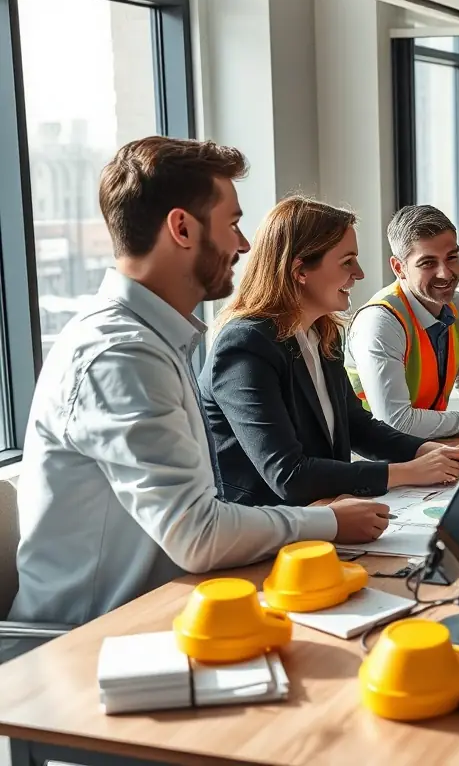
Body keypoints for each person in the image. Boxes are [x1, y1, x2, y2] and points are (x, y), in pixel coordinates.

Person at [3, 138, 389, 661]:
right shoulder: (120, 356)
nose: (245, 245)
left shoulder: (155, 340)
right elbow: (198, 533)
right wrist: (331, 520)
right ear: (182, 229)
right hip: (90, 650)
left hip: (166, 615)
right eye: (232, 223)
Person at [200, 196, 459, 508]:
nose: (359, 273)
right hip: (264, 536)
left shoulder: (321, 331)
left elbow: (357, 425)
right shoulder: (245, 347)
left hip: (326, 512)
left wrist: (423, 451)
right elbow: (289, 476)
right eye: (347, 262)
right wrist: (405, 472)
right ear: (300, 270)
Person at [344, 205, 459, 439]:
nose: (446, 273)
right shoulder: (380, 321)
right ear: (399, 268)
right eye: (428, 263)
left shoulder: (456, 305)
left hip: (429, 447)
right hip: (377, 460)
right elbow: (396, 422)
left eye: (452, 257)